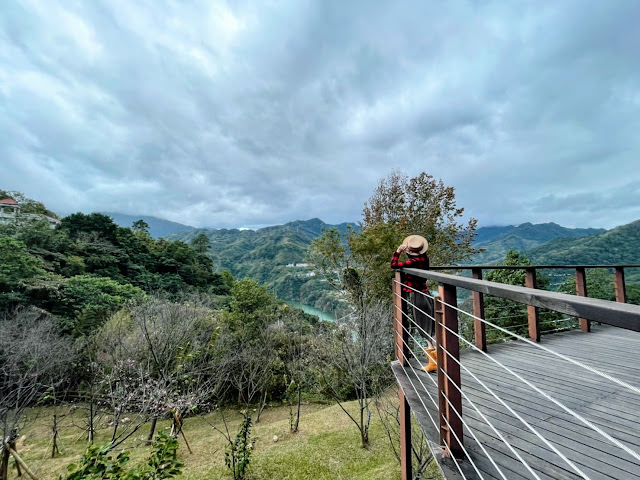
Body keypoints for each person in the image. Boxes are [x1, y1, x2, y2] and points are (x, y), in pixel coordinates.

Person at [390, 234, 437, 372]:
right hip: (425, 293)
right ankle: (435, 360)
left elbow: (393, 265)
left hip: (418, 296)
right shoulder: (424, 259)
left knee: (425, 329)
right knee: (430, 327)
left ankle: (434, 363)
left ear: (410, 251)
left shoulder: (413, 262)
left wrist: (398, 251)